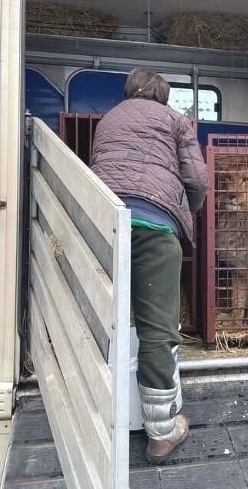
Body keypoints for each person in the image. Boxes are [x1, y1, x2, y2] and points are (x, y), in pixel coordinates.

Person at [89, 68, 208, 464]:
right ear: (163, 95)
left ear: (128, 92)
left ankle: (103, 410)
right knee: (158, 328)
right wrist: (183, 212)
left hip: (108, 224)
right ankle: (160, 433)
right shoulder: (174, 120)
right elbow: (197, 178)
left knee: (112, 318)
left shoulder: (108, 120)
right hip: (155, 225)